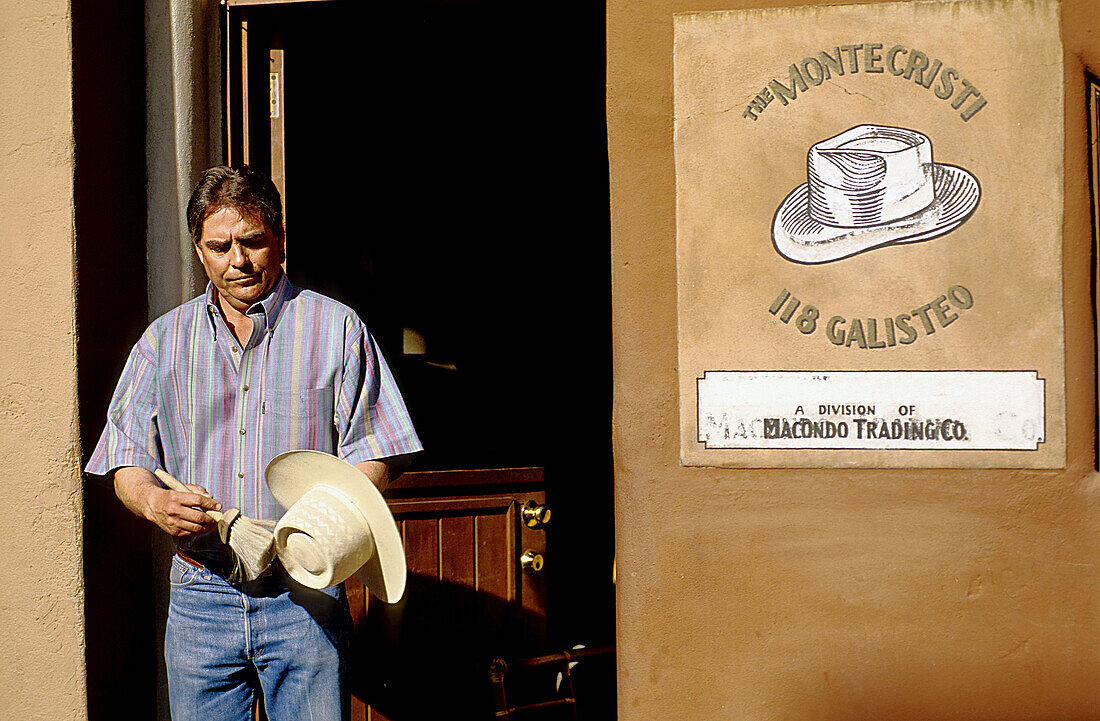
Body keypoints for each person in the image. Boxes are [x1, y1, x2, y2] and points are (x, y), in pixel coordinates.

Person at [86, 165, 422, 720]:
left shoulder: (335, 328)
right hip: (200, 596)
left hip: (305, 595)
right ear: (199, 251)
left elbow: (376, 448)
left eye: (253, 242)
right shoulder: (163, 342)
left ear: (281, 240)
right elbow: (125, 457)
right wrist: (155, 502)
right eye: (219, 247)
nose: (237, 261)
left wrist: (323, 526)